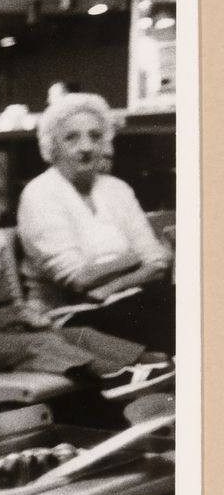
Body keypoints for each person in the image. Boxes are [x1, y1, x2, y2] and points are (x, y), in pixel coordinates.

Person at [0, 166, 160, 387]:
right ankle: (116, 375)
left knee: (78, 334)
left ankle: (142, 361)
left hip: (15, 333)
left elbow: (15, 301)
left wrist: (32, 317)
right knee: (43, 343)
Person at [16, 91, 174, 353]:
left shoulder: (117, 189)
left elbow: (157, 265)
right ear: (51, 146)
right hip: (73, 317)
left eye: (95, 136)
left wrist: (114, 285)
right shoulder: (39, 194)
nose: (86, 147)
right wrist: (136, 257)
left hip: (132, 300)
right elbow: (79, 280)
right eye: (72, 137)